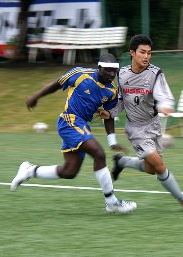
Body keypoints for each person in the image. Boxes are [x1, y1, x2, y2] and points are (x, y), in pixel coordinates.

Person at [10, 53, 137, 214]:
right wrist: (36, 96)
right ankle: (111, 202)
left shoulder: (112, 91)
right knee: (98, 153)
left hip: (82, 126)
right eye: (108, 70)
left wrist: (112, 141)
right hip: (69, 120)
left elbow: (108, 115)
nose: (112, 74)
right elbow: (56, 84)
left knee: (69, 171)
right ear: (99, 68)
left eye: (114, 71)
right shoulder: (79, 74)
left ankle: (30, 170)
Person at [99, 34, 183, 211]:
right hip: (136, 130)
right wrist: (110, 112)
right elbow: (121, 100)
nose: (146, 56)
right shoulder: (122, 74)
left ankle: (122, 162)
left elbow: (164, 95)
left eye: (149, 53)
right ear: (132, 53)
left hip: (153, 125)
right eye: (142, 52)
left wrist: (165, 106)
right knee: (160, 167)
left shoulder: (155, 73)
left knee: (150, 168)